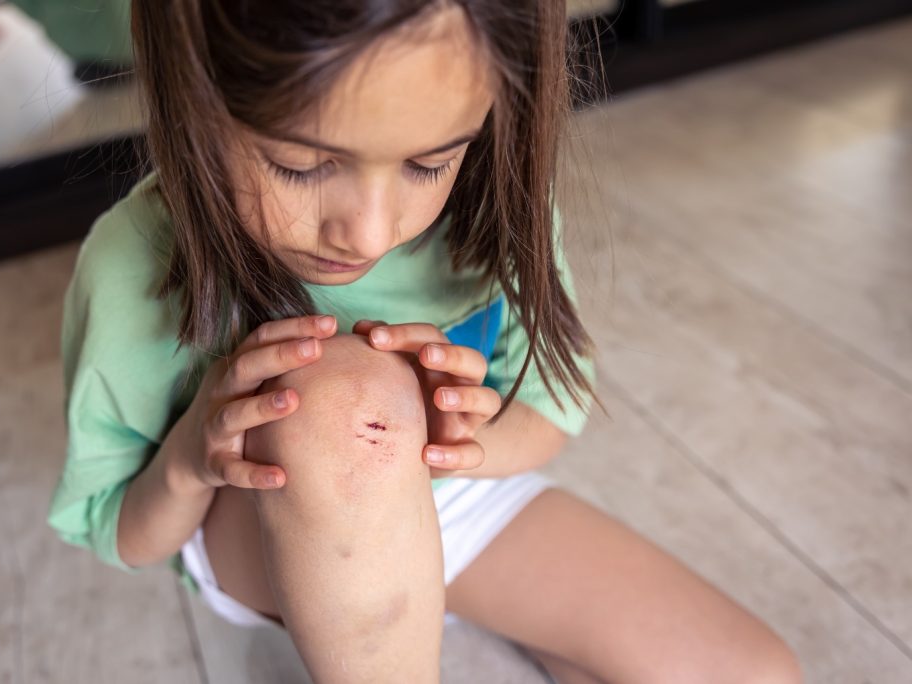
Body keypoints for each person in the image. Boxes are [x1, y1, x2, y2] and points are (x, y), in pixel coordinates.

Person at [47, 1, 804, 682]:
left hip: (450, 506)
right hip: (254, 534)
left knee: (758, 674)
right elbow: (123, 532)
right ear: (195, 94)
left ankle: (465, 617)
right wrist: (190, 455)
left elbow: (550, 409)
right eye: (301, 165)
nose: (369, 232)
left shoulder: (496, 202)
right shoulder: (129, 263)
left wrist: (457, 440)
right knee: (347, 405)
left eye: (429, 162)